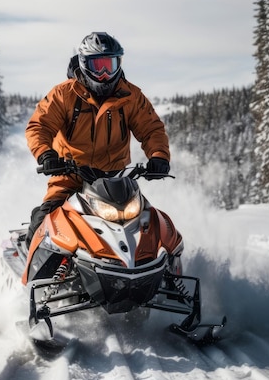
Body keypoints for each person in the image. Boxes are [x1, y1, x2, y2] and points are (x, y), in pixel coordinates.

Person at [24, 31, 171, 247]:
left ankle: (164, 269)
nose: (104, 74)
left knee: (150, 226)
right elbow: (39, 125)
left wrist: (159, 157)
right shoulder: (64, 94)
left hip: (116, 181)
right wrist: (46, 155)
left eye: (109, 65)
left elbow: (151, 130)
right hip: (70, 175)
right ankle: (33, 276)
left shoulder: (131, 96)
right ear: (84, 64)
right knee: (45, 222)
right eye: (97, 66)